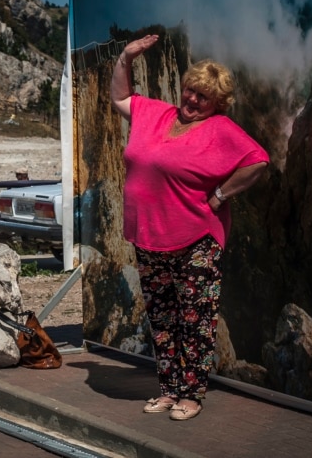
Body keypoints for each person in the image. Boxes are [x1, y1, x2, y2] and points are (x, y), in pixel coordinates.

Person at [110, 33, 269, 422]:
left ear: (217, 104)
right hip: (149, 235)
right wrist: (126, 57)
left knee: (195, 318)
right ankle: (168, 390)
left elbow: (258, 160)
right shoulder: (156, 114)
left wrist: (220, 194)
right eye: (190, 90)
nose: (193, 99)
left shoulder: (221, 130)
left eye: (203, 96)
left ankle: (192, 394)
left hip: (196, 240)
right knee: (162, 318)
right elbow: (119, 98)